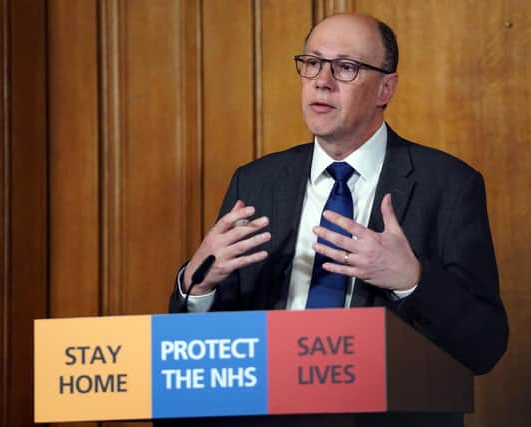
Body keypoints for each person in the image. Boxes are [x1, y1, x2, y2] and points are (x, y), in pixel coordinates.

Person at [166, 12, 508, 427]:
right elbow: (196, 353)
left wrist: (411, 279)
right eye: (311, 63)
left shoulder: (449, 186)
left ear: (386, 87)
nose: (321, 80)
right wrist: (197, 285)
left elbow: (484, 346)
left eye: (346, 67)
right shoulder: (254, 183)